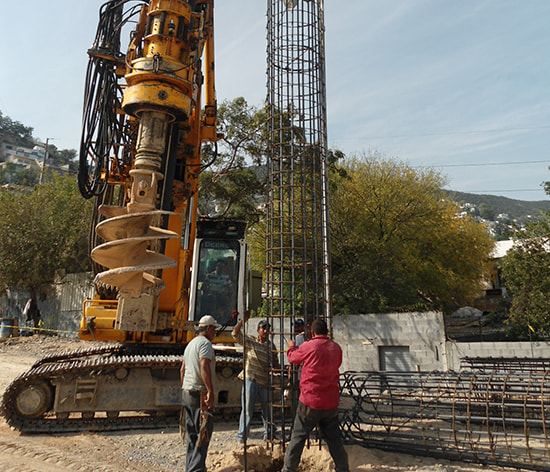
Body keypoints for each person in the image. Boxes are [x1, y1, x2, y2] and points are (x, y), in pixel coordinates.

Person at [281, 318, 349, 472]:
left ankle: (288, 469)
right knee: (334, 441)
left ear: (312, 333)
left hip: (310, 401)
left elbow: (293, 359)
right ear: (327, 332)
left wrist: (291, 347)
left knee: (298, 438)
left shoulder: (308, 346)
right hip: (331, 402)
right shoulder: (336, 348)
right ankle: (343, 469)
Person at [232, 310, 280, 442]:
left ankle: (269, 434)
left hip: (264, 381)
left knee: (267, 409)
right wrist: (242, 322)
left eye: (267, 329)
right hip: (251, 379)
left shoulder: (271, 346)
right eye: (263, 328)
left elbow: (275, 364)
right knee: (247, 409)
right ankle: (242, 436)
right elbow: (235, 335)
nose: (265, 331)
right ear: (258, 330)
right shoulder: (251, 341)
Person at [180, 314, 220, 472]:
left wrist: (184, 386)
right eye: (214, 329)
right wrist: (210, 390)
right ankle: (196, 469)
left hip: (188, 392)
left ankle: (190, 467)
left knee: (192, 434)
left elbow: (182, 369)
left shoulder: (190, 344)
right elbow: (204, 366)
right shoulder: (205, 344)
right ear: (209, 328)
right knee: (203, 432)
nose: (215, 332)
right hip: (199, 393)